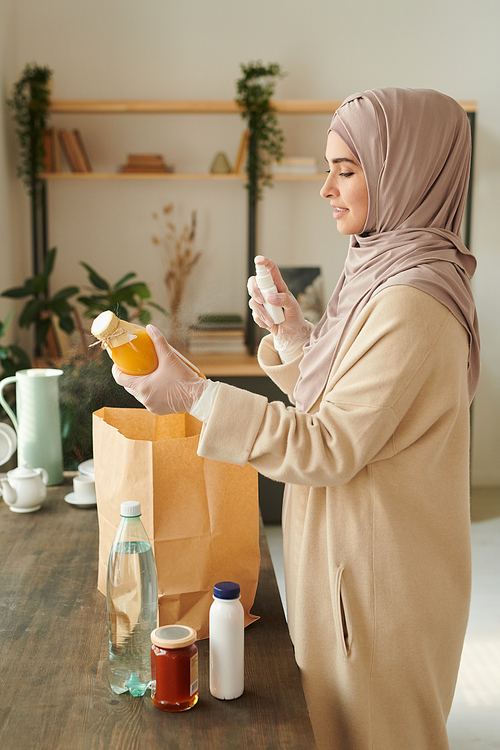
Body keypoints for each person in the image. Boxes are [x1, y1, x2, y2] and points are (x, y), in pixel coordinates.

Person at [112, 87, 480, 750]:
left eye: (345, 171)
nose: (326, 189)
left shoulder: (411, 303)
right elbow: (358, 407)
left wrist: (194, 394)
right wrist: (295, 336)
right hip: (355, 573)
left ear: (406, 172)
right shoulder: (384, 271)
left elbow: (329, 446)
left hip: (376, 590)